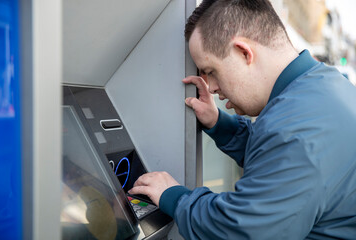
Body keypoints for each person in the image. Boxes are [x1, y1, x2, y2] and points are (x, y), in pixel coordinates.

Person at [129, 0, 356, 239]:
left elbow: (240, 230)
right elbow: (278, 163)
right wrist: (218, 123)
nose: (212, 87)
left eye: (211, 71)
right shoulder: (326, 85)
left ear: (244, 52)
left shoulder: (294, 132)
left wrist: (173, 196)